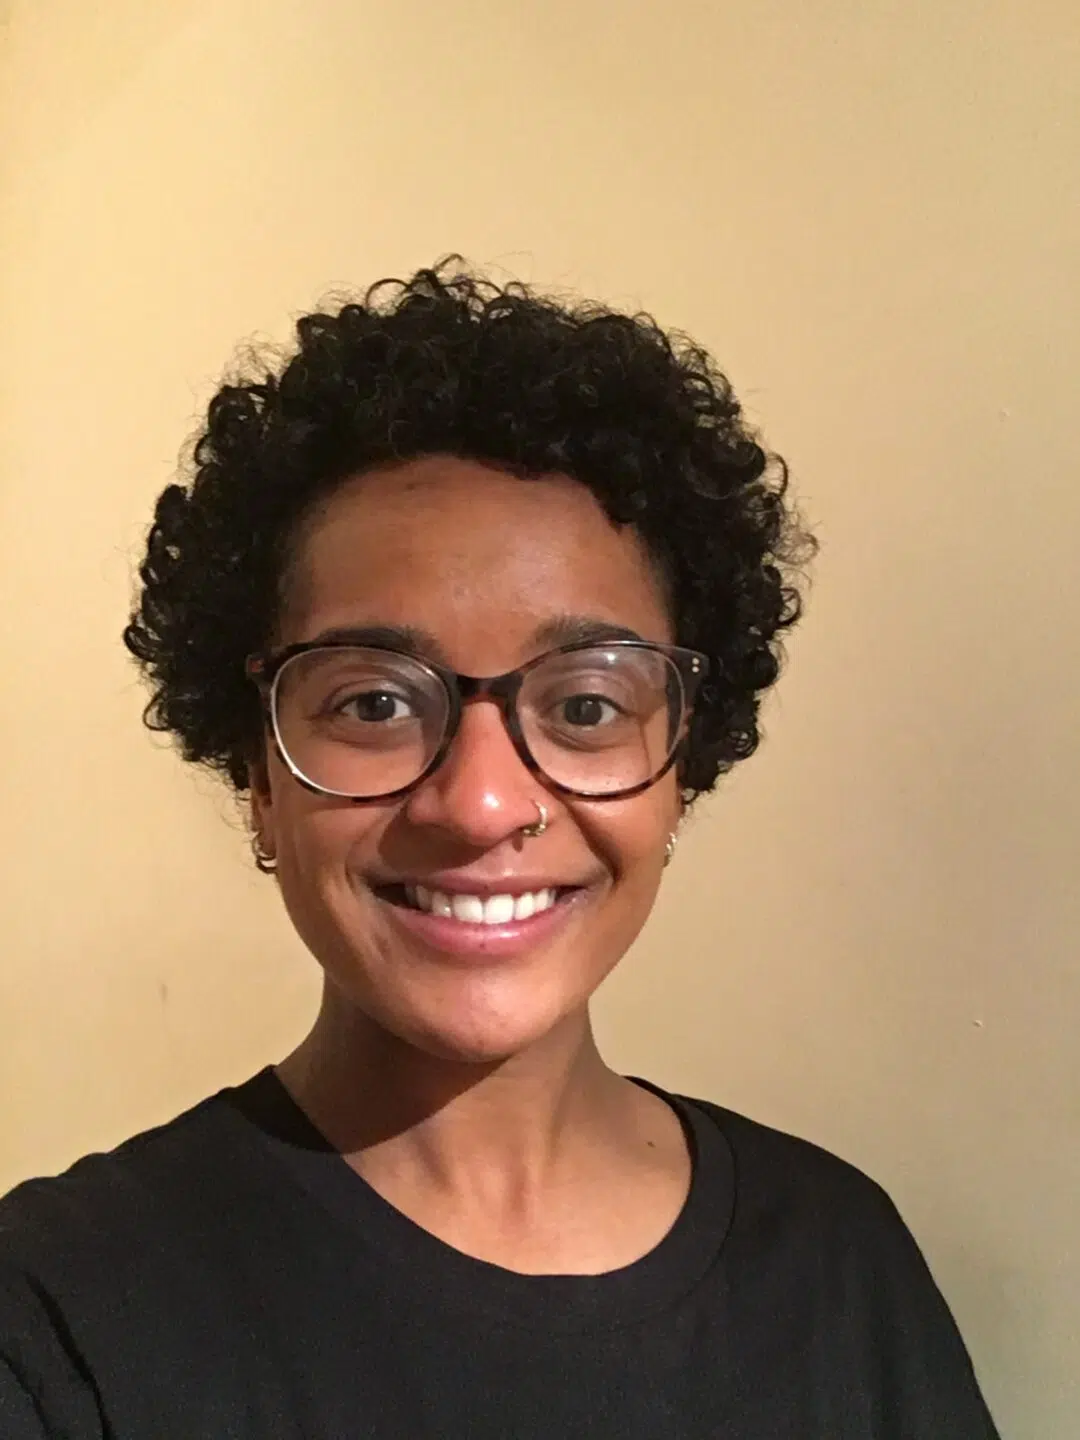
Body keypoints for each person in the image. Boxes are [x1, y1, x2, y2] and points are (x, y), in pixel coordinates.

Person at [0, 260, 1000, 1438]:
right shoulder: (59, 1320)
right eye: (374, 702)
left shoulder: (838, 1263)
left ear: (684, 764)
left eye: (583, 706)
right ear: (258, 773)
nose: (479, 805)